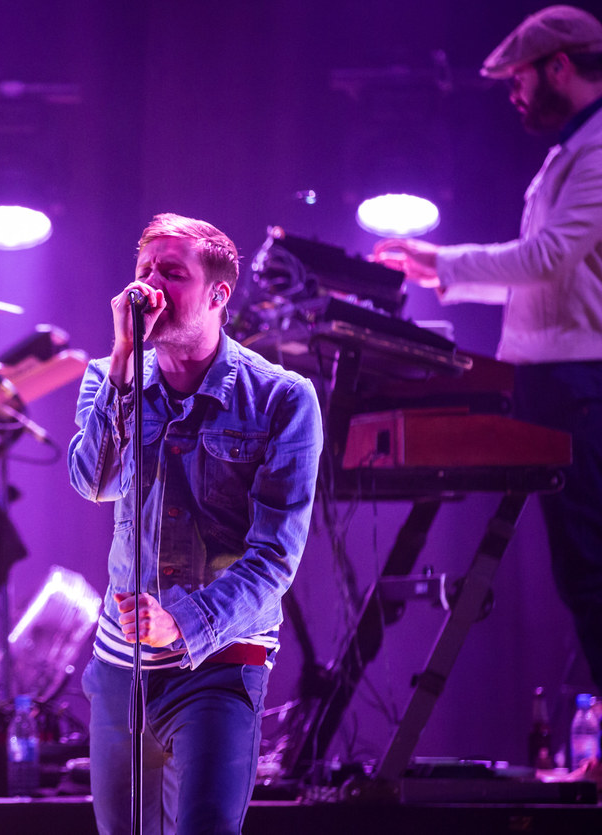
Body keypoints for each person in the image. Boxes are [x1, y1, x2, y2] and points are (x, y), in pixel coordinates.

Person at [68, 214, 323, 834]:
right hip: (119, 667)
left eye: (171, 272)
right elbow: (93, 482)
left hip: (216, 662)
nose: (150, 285)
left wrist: (183, 621)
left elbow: (274, 560)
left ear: (217, 295)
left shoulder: (282, 399)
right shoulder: (109, 377)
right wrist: (125, 360)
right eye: (144, 271)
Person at [373, 5, 602, 696]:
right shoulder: (574, 149)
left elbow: (551, 256)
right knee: (578, 570)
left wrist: (446, 259)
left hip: (580, 381)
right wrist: (437, 271)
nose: (515, 94)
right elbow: (551, 284)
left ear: (558, 66)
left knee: (591, 566)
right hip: (554, 378)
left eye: (520, 79)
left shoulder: (597, 150)